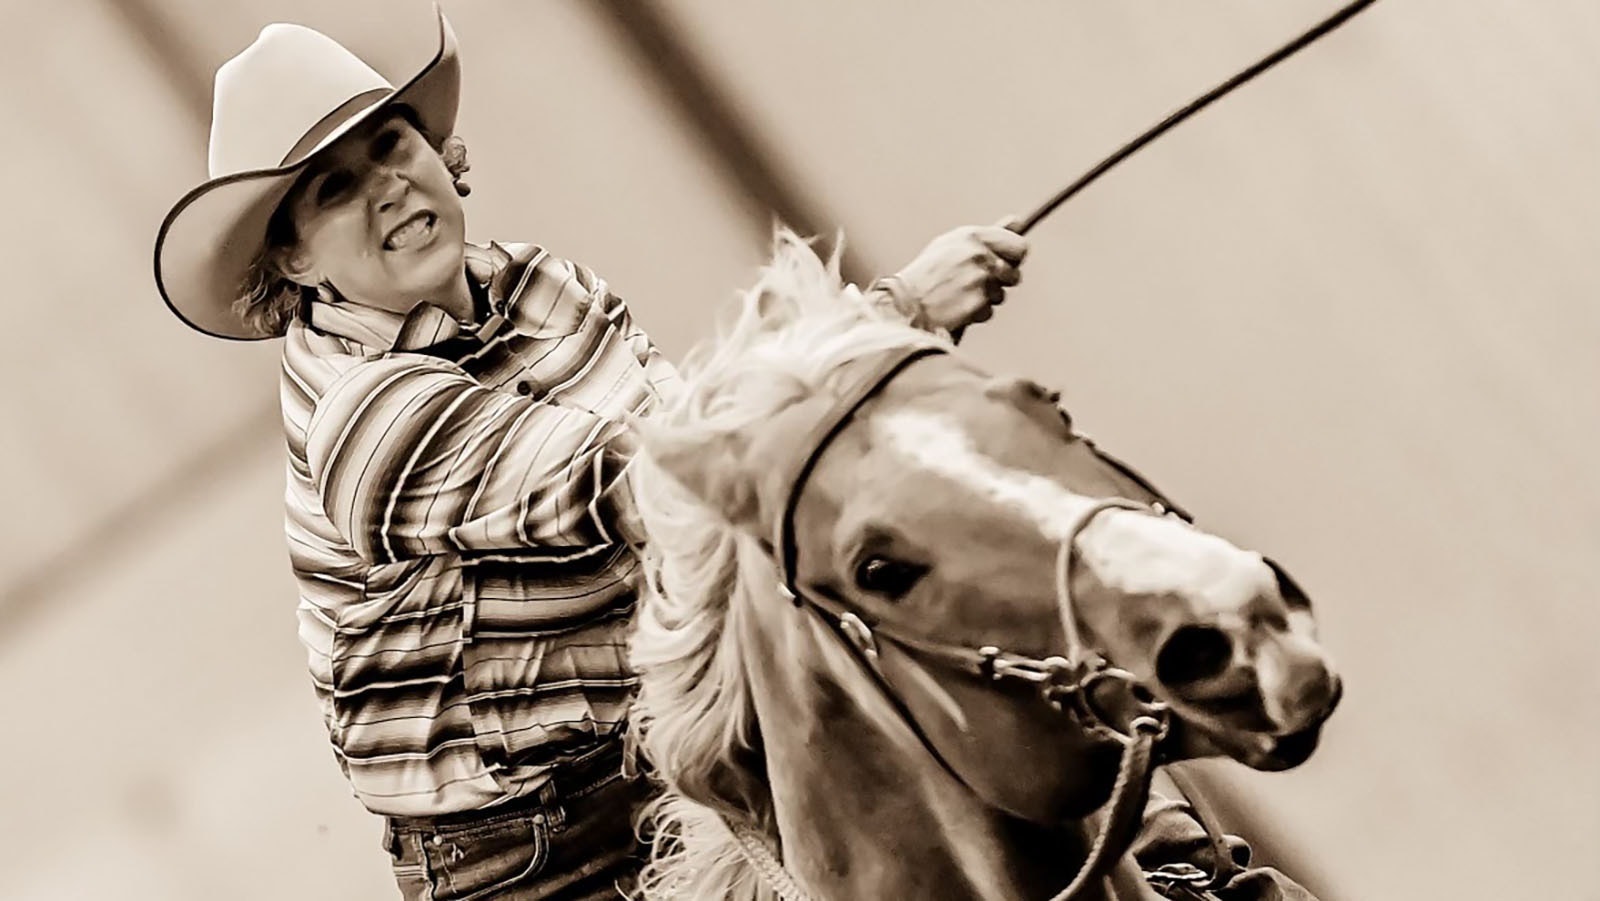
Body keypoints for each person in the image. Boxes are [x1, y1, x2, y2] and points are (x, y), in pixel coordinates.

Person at [152, 9, 1027, 899]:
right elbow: (663, 476)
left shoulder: (543, 285)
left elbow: (700, 432)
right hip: (537, 848)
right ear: (294, 261)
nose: (385, 185)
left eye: (390, 143)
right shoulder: (363, 417)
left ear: (435, 153)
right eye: (333, 189)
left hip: (691, 729)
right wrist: (890, 313)